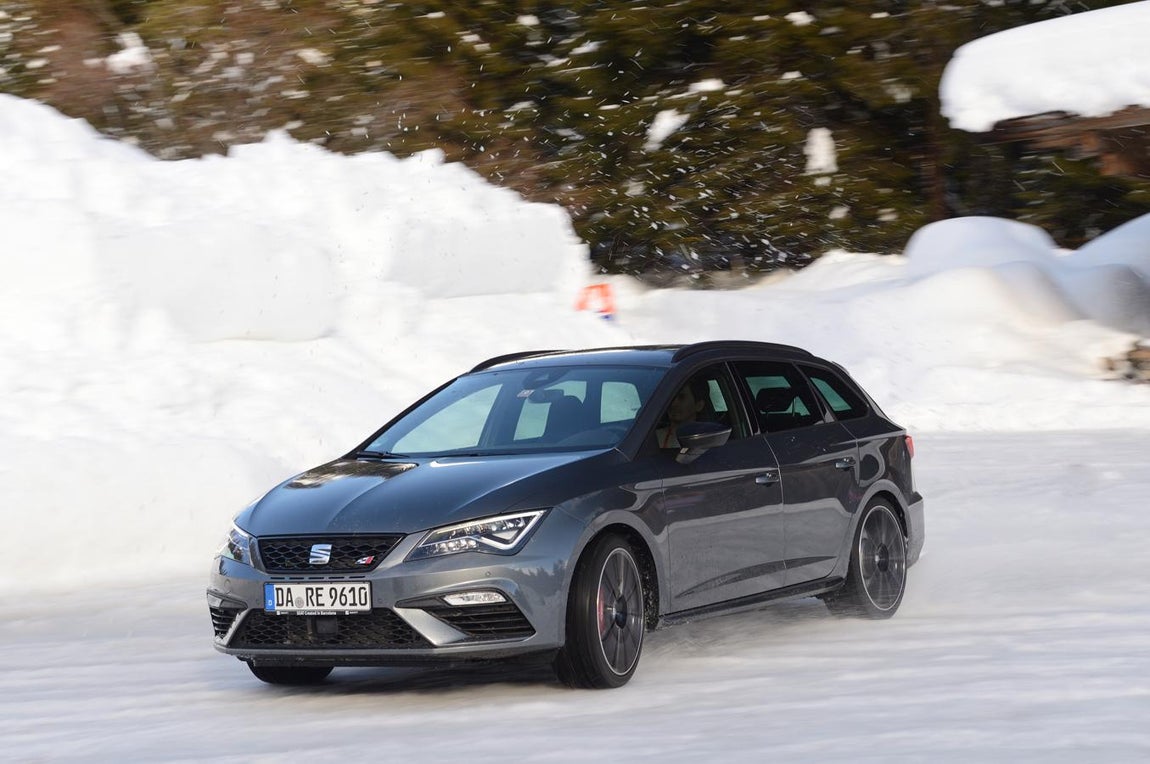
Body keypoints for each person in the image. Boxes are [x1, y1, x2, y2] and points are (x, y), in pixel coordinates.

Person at [656, 377, 709, 448]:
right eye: (671, 397)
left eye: (681, 397)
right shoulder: (653, 438)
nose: (673, 403)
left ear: (699, 405)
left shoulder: (707, 439)